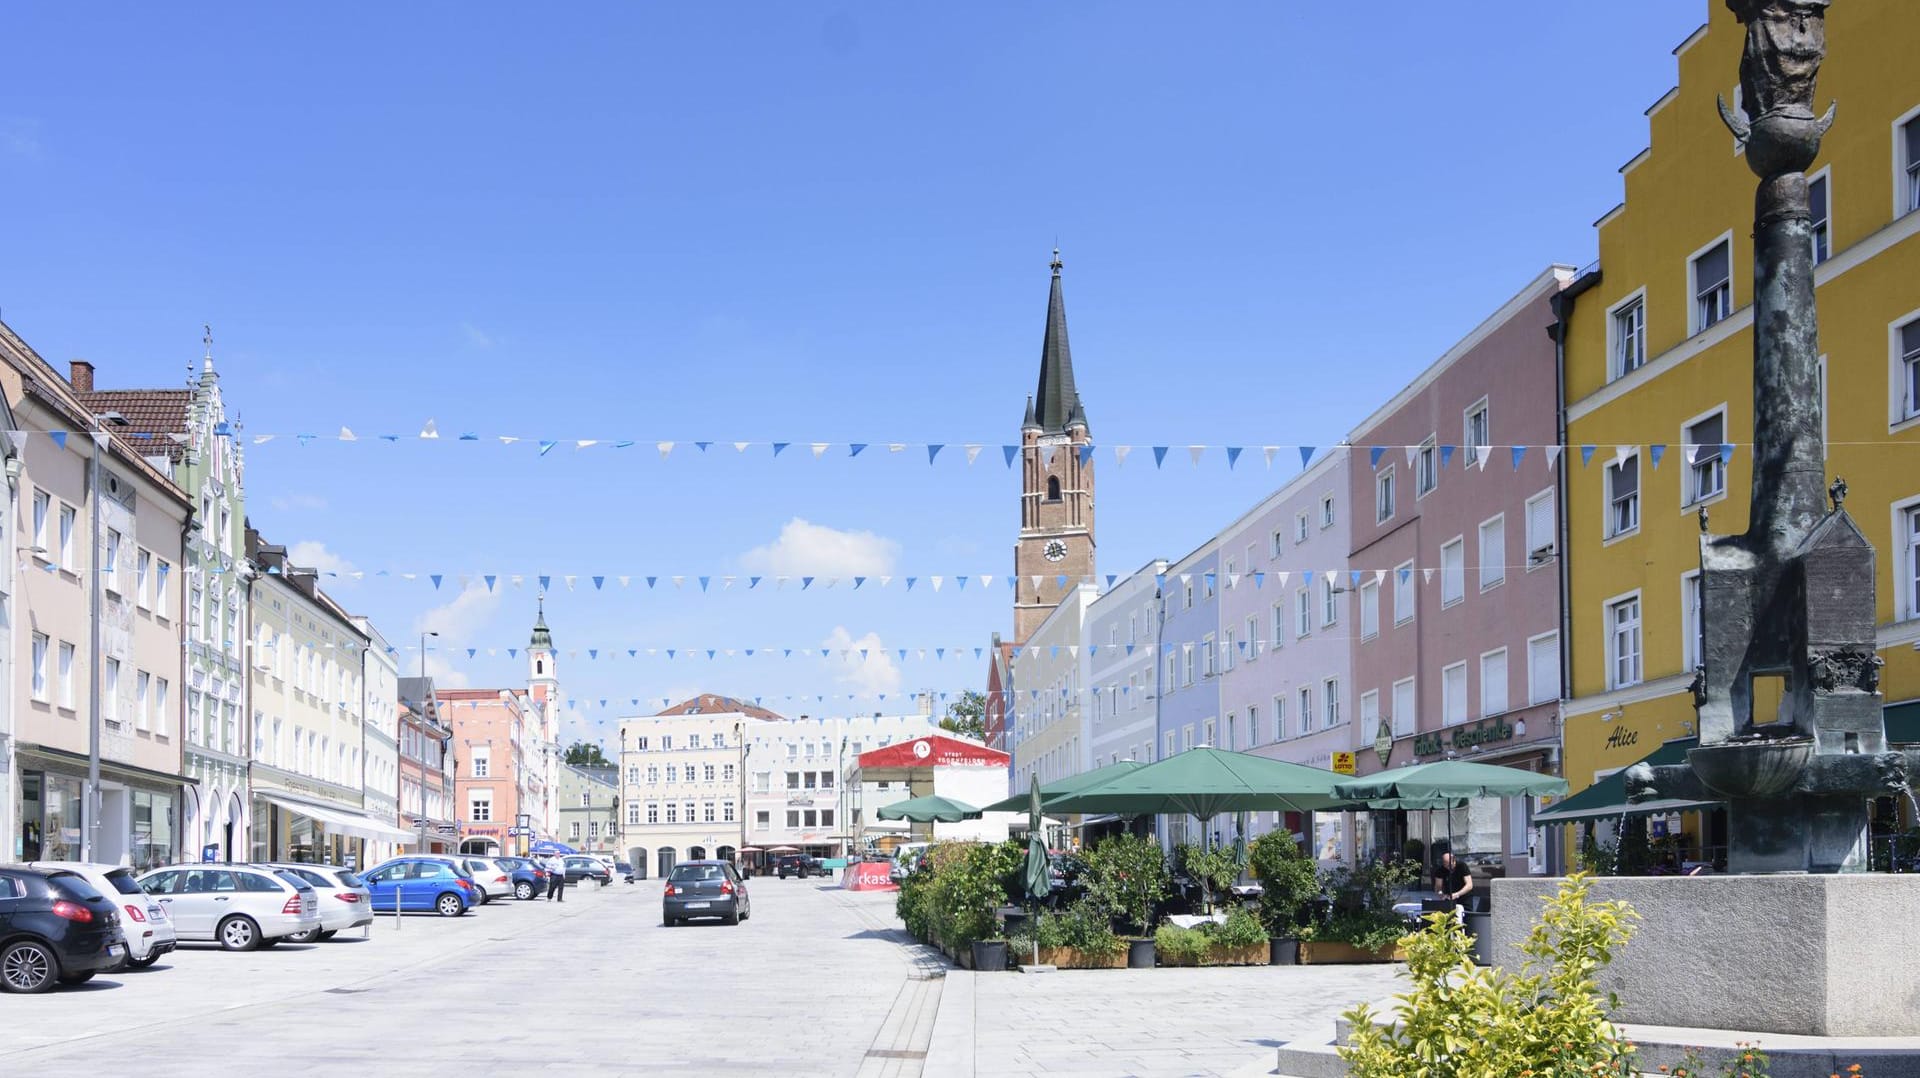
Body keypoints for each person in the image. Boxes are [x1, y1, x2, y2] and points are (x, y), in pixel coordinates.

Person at [1433, 846, 1473, 917]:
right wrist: (1441, 895)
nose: (1448, 868)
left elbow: (1469, 885)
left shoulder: (1462, 866)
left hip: (1464, 898)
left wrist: (1457, 894)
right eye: (1446, 866)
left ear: (1454, 861)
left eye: (1449, 865)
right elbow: (1438, 887)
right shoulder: (1440, 870)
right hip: (1449, 899)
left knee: (1466, 917)